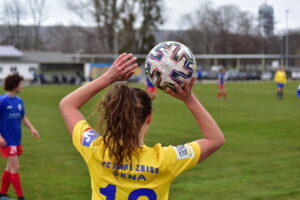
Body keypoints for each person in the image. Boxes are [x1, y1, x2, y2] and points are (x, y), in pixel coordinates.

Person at [59, 53, 225, 200]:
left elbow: (68, 105)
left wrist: (108, 77)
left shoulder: (95, 149)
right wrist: (189, 99)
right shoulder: (165, 161)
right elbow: (215, 139)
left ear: (110, 116)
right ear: (149, 118)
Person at [0, 73, 40, 200]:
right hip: (6, 141)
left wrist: (32, 128)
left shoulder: (19, 101)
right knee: (15, 168)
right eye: (21, 84)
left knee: (9, 167)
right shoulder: (2, 101)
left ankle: (2, 193)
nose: (22, 86)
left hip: (16, 139)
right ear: (15, 85)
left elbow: (22, 117)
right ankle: (20, 197)